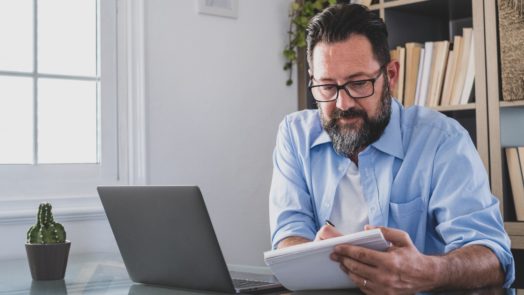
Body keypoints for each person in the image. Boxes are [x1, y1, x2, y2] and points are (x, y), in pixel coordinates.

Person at [269, 3, 514, 293]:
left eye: (358, 83)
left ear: (391, 76)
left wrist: (428, 271)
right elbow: (288, 235)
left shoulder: (442, 140)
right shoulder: (295, 136)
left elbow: (494, 260)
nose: (342, 104)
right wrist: (313, 254)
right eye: (326, 87)